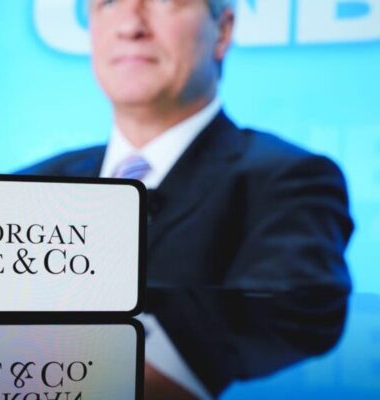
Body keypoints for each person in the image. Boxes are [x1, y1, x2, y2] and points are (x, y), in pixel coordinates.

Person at [18, 0, 353, 396]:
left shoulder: (288, 180)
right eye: (108, 3)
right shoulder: (29, 187)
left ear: (223, 31)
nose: (130, 26)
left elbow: (291, 311)